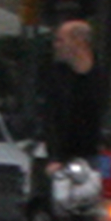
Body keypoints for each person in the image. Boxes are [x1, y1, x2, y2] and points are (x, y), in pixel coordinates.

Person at [40, 18, 103, 162]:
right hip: (63, 162)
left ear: (78, 42)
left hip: (94, 158)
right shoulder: (55, 76)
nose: (56, 46)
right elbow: (52, 121)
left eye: (60, 40)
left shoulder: (104, 77)